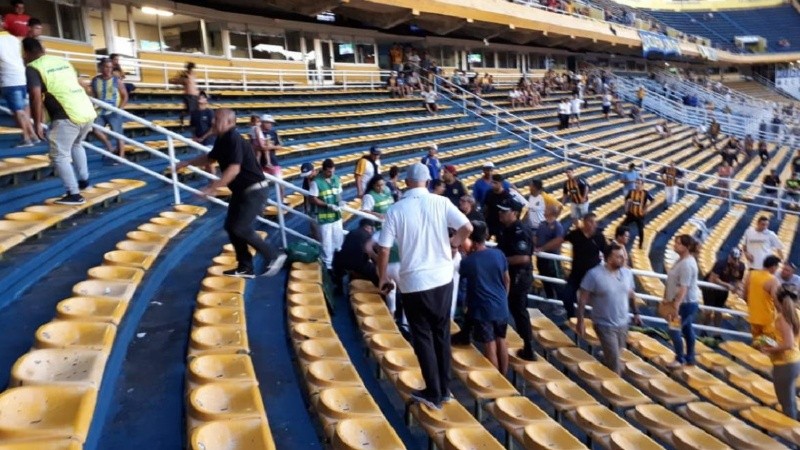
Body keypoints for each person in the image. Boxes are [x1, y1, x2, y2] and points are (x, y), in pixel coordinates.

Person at [376, 163, 472, 410]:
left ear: (407, 183)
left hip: (414, 282)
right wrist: (453, 244)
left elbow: (384, 249)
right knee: (441, 333)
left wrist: (383, 277)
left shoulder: (395, 210)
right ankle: (444, 388)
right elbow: (467, 227)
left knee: (423, 337)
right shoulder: (441, 203)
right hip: (442, 277)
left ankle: (433, 391)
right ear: (428, 182)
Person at [175, 109, 285, 278]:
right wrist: (188, 162)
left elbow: (234, 169)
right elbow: (210, 158)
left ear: (229, 122)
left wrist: (213, 188)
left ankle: (274, 256)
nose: (212, 123)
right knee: (231, 227)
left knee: (241, 227)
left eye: (217, 120)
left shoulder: (233, 138)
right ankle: (245, 267)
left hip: (254, 190)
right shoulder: (223, 138)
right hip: (241, 191)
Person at [24, 37, 96, 205]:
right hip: (86, 111)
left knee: (58, 155)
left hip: (66, 115)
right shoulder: (61, 61)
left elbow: (35, 97)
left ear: (26, 53)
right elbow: (80, 83)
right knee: (77, 145)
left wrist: (36, 123)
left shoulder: (33, 67)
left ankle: (74, 194)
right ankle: (84, 180)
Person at [577, 243, 640, 374]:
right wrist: (580, 320)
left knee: (617, 353)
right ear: (608, 258)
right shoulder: (594, 275)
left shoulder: (627, 273)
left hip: (623, 323)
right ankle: (617, 388)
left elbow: (631, 294)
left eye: (623, 256)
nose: (623, 259)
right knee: (616, 364)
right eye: (619, 257)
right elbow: (582, 299)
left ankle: (606, 360)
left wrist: (636, 313)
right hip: (604, 324)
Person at [459, 221, 510, 373]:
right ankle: (505, 376)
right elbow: (507, 280)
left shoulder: (468, 262)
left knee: (489, 344)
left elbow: (463, 281)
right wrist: (503, 298)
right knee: (501, 340)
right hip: (501, 306)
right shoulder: (499, 254)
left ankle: (496, 381)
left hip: (483, 309)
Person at [496, 198, 537, 361]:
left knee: (519, 312)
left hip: (518, 277)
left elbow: (524, 257)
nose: (501, 213)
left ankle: (528, 347)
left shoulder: (520, 230)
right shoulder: (506, 228)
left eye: (504, 211)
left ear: (514, 213)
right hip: (509, 276)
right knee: (510, 310)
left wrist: (500, 260)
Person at [756, 285, 800, 420]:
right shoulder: (796, 313)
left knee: (786, 404)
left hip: (785, 364)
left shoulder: (783, 317)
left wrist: (768, 349)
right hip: (794, 361)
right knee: (790, 400)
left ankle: (792, 435)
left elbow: (788, 344)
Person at [664, 234, 702, 369]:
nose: (675, 245)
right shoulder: (682, 260)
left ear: (686, 247)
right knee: (687, 329)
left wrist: (676, 306)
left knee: (674, 330)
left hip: (684, 304)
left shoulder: (686, 264)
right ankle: (690, 357)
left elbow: (683, 287)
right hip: (685, 303)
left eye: (679, 243)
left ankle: (680, 358)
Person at [0, 17, 36, 147]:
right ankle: (32, 134)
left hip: (9, 80)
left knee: (18, 111)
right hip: (22, 77)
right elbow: (22, 57)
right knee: (22, 108)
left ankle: (26, 139)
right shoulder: (15, 39)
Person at [563, 213, 607, 319]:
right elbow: (561, 240)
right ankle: (571, 318)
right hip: (576, 274)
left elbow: (607, 252)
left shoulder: (599, 236)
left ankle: (594, 320)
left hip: (593, 276)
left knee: (597, 301)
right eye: (591, 222)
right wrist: (542, 247)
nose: (594, 225)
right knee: (567, 296)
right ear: (584, 222)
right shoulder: (575, 234)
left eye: (595, 222)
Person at [308, 158, 345, 271]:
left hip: (336, 215)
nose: (331, 173)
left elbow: (338, 194)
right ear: (323, 170)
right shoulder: (316, 182)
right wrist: (327, 205)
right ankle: (328, 265)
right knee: (326, 242)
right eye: (329, 171)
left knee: (338, 239)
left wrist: (340, 202)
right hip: (324, 216)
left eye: (333, 171)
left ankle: (338, 261)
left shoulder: (336, 179)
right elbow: (312, 199)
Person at [701, 248, 745, 336]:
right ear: (730, 256)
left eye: (737, 259)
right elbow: (713, 278)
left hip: (722, 290)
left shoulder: (741, 266)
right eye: (733, 259)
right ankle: (703, 329)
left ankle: (717, 333)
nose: (735, 261)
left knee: (719, 310)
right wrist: (727, 285)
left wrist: (737, 288)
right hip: (710, 288)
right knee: (708, 311)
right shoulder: (721, 263)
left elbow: (738, 280)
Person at [91, 58, 129, 158]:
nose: (109, 69)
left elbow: (125, 96)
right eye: (106, 67)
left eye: (111, 67)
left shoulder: (117, 81)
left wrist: (120, 109)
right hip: (100, 110)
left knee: (117, 133)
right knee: (96, 130)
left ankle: (121, 156)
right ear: (101, 67)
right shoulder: (95, 80)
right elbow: (94, 95)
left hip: (114, 110)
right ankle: (110, 147)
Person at [744, 255, 782, 340]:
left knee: (756, 342)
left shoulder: (751, 274)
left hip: (753, 315)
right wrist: (783, 313)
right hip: (767, 318)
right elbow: (776, 300)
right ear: (773, 266)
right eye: (777, 267)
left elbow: (744, 294)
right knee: (767, 344)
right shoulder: (773, 280)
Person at [332, 218, 377, 287]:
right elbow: (371, 252)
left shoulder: (351, 232)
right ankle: (381, 290)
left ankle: (338, 286)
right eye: (371, 229)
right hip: (359, 264)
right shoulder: (369, 237)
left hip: (342, 261)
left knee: (338, 256)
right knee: (374, 270)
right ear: (367, 227)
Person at [534, 205, 565, 302]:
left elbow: (557, 241)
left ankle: (561, 303)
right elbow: (536, 237)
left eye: (547, 209)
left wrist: (542, 248)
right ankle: (550, 300)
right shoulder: (542, 224)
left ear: (552, 212)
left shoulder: (557, 226)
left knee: (556, 281)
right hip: (541, 258)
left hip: (552, 259)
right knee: (545, 279)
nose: (544, 210)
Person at [621, 179, 653, 250]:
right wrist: (626, 209)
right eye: (636, 183)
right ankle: (620, 239)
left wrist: (646, 208)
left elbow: (653, 200)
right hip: (631, 214)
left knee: (641, 230)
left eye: (639, 183)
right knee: (622, 226)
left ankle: (640, 244)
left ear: (642, 185)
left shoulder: (645, 193)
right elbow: (626, 200)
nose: (637, 185)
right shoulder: (631, 192)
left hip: (640, 215)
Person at [170, 62, 199, 127]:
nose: (192, 70)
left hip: (193, 95)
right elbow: (174, 81)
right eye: (191, 68)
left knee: (195, 110)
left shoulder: (192, 75)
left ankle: (188, 120)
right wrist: (180, 79)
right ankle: (182, 117)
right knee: (191, 111)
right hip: (189, 95)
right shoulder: (186, 76)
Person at [483, 174, 512, 239]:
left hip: (501, 225)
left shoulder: (506, 196)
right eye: (492, 182)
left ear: (501, 183)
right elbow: (486, 208)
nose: (493, 185)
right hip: (489, 223)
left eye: (495, 183)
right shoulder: (489, 193)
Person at [299, 162, 319, 240]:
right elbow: (306, 194)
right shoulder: (306, 180)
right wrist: (306, 207)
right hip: (312, 204)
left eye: (308, 174)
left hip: (320, 203)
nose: (307, 176)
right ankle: (315, 238)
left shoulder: (321, 178)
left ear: (314, 171)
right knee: (313, 222)